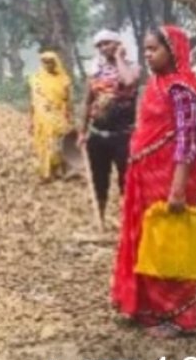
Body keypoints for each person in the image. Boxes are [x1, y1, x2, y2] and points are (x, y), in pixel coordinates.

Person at [111, 26, 196, 339]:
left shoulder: (182, 90)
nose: (148, 54)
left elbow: (187, 141)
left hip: (170, 178)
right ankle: (147, 306)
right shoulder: (156, 84)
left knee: (169, 241)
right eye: (146, 49)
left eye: (154, 49)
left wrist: (178, 188)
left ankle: (179, 316)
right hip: (145, 175)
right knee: (145, 239)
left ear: (174, 50)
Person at [78, 29, 141, 228]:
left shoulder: (132, 67)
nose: (104, 48)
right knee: (99, 179)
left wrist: (119, 57)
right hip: (98, 135)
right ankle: (101, 220)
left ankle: (128, 222)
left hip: (124, 135)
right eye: (100, 45)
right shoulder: (95, 72)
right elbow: (87, 103)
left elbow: (129, 82)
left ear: (117, 44)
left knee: (126, 179)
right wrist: (82, 131)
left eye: (108, 43)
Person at [28, 50, 73, 182]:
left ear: (56, 63)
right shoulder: (36, 79)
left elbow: (68, 100)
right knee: (44, 144)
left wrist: (70, 116)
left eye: (50, 62)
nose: (47, 64)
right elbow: (32, 101)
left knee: (58, 144)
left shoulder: (64, 79)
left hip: (59, 116)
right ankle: (46, 173)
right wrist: (30, 120)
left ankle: (59, 170)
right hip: (41, 117)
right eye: (44, 62)